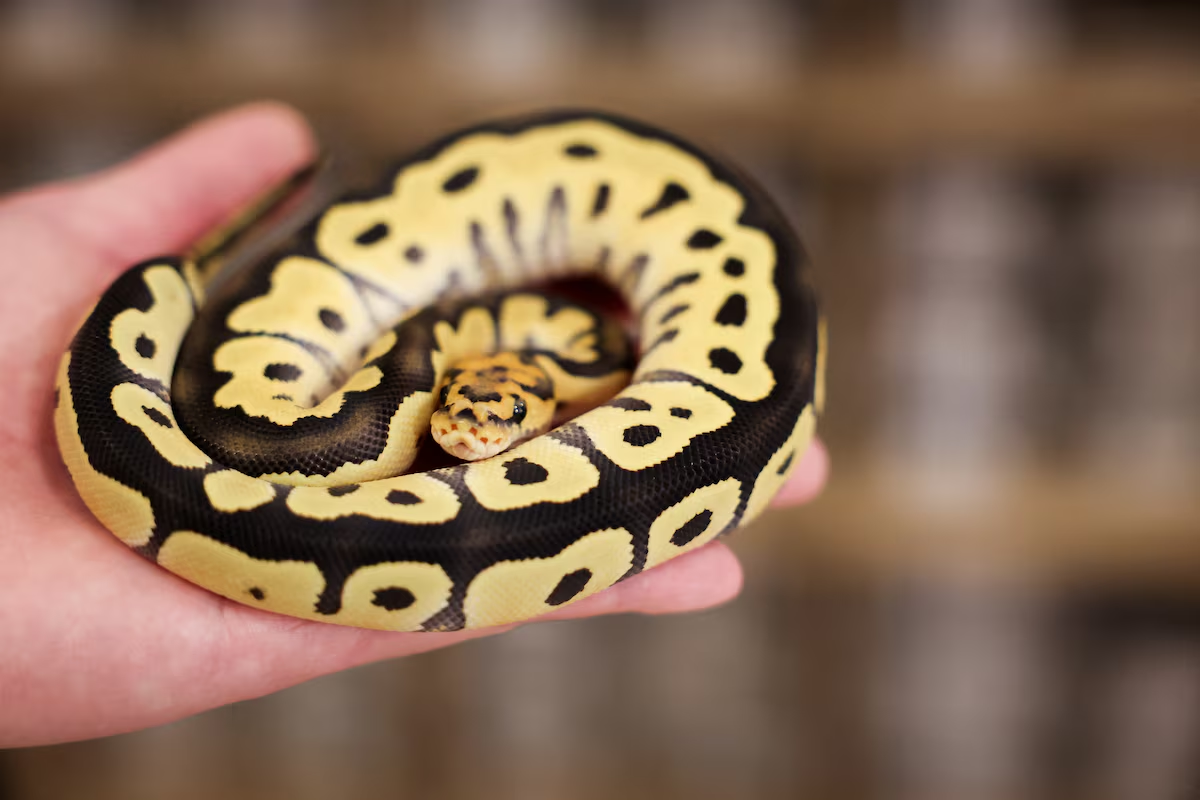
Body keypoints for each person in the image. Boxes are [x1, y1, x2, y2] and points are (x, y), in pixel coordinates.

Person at [0, 103, 829, 747]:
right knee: (257, 432)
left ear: (550, 407)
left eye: (494, 424)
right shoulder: (452, 376)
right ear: (451, 383)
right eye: (459, 413)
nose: (467, 438)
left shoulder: (542, 368)